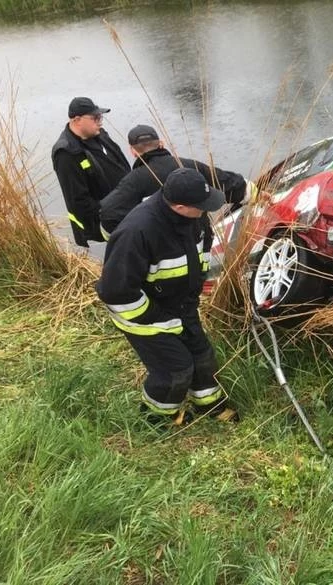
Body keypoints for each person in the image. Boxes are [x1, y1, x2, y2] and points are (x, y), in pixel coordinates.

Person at [95, 167, 239, 427]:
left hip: (181, 304)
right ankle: (157, 420)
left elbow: (201, 251)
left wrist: (199, 284)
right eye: (202, 206)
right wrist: (158, 321)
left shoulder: (195, 218)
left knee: (202, 356)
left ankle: (209, 406)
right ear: (181, 206)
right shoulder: (137, 232)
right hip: (142, 315)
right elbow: (115, 292)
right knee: (176, 369)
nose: (208, 211)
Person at [99, 124, 246, 237]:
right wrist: (254, 193)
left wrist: (127, 239)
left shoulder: (132, 182)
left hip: (158, 250)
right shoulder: (189, 167)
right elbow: (232, 184)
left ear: (133, 151)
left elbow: (108, 214)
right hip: (197, 241)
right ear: (161, 144)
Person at [51, 97, 131, 247]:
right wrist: (112, 212)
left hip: (124, 209)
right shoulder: (66, 153)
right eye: (95, 117)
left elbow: (121, 164)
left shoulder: (99, 134)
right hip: (101, 221)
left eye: (100, 117)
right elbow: (78, 201)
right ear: (77, 120)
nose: (100, 121)